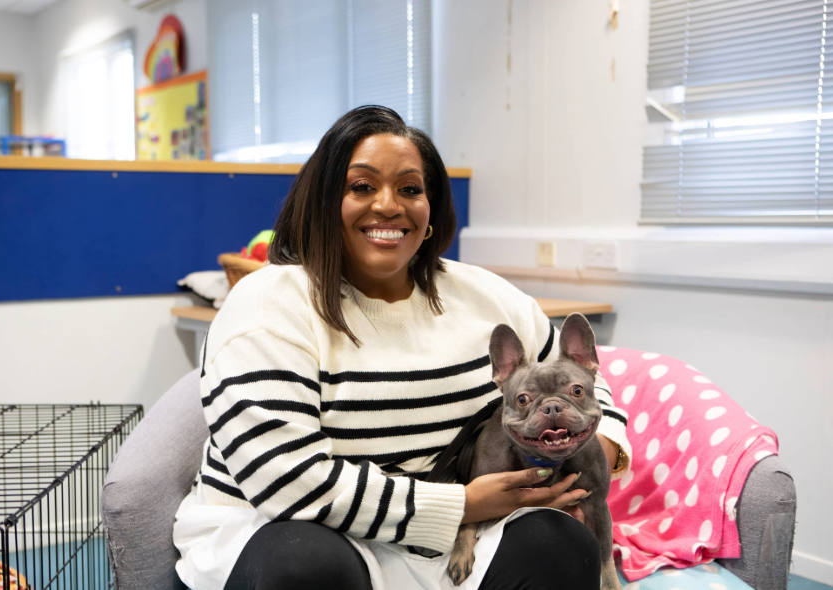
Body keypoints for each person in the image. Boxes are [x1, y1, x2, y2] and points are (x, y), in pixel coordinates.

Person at [173, 106, 631, 590]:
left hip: (457, 540)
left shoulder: (488, 297)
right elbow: (286, 481)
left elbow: (593, 394)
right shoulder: (268, 304)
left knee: (561, 545)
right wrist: (464, 504)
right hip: (291, 530)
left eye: (410, 189)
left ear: (431, 208)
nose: (389, 205)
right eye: (362, 187)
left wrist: (579, 460)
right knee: (303, 563)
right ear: (324, 201)